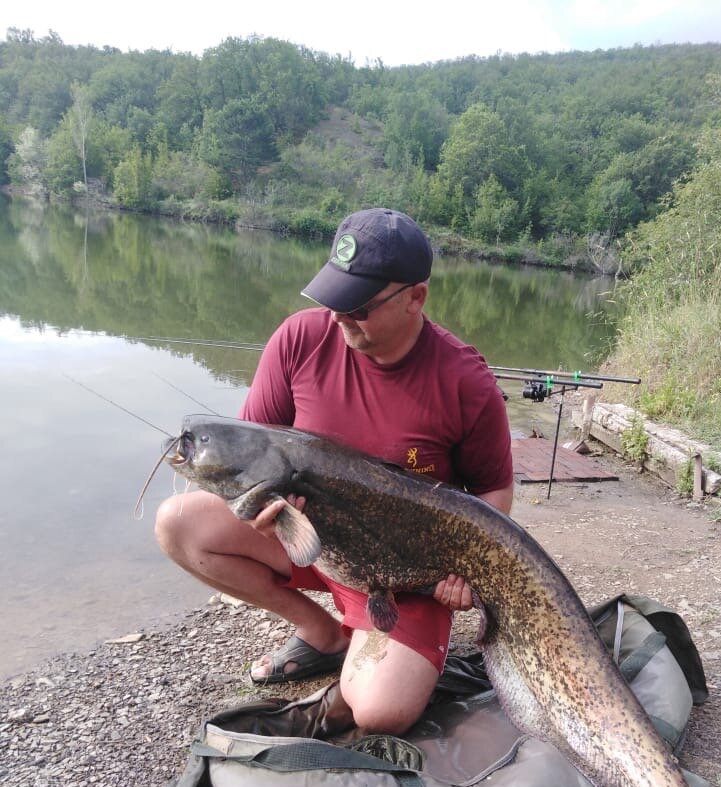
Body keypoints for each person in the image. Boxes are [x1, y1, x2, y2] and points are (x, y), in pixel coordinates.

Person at [155, 208, 514, 735]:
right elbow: (251, 449)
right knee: (178, 524)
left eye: (359, 306)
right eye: (332, 297)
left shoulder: (465, 381)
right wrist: (259, 509)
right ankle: (323, 634)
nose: (340, 316)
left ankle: (375, 642)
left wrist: (467, 572)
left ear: (416, 297)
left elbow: (493, 491)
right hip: (308, 539)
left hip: (403, 576)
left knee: (379, 713)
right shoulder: (300, 340)